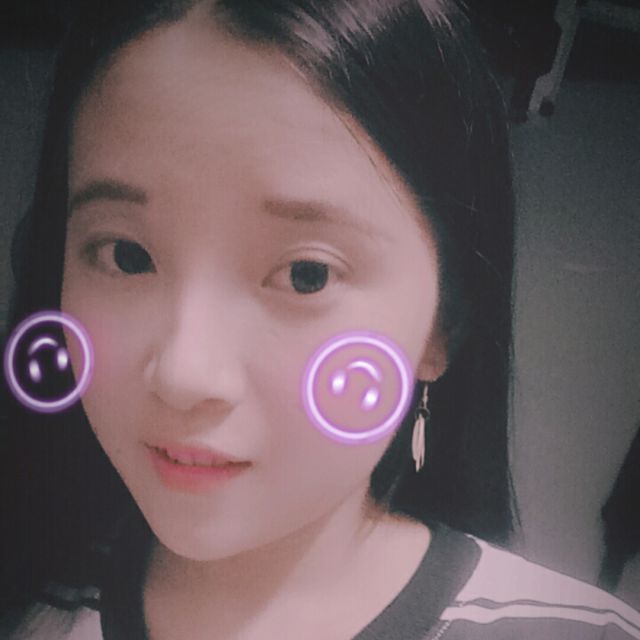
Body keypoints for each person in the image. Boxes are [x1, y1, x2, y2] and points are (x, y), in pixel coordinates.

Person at [1, 1, 639, 638]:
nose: (184, 373)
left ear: (443, 322)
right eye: (126, 255)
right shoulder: (31, 610)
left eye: (307, 273)